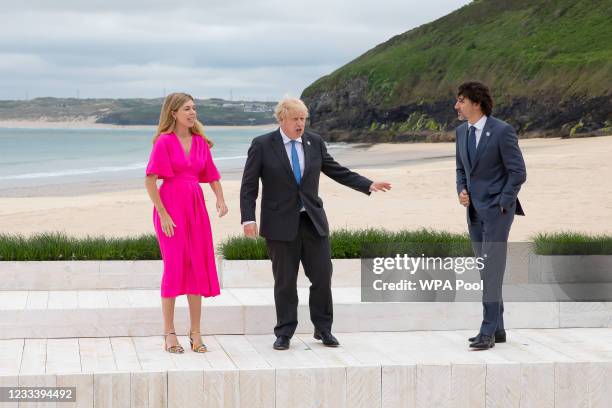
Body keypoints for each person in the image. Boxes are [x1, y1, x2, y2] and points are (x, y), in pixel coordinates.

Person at [240, 97, 391, 350]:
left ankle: (323, 330)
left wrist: (367, 184)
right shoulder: (263, 144)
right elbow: (248, 186)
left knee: (322, 276)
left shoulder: (314, 142)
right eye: (295, 119)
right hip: (279, 224)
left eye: (303, 119)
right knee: (285, 281)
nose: (300, 124)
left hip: (313, 221)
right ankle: (284, 332)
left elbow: (337, 170)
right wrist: (248, 218)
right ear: (282, 119)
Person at [145, 92, 228, 354]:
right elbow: (150, 180)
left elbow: (212, 175)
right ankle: (169, 332)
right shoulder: (164, 142)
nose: (192, 113)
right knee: (173, 267)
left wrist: (220, 199)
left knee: (197, 267)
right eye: (187, 109)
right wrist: (164, 213)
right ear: (174, 113)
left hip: (196, 208)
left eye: (194, 108)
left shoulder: (201, 142)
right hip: (170, 209)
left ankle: (195, 332)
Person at [454, 81, 526, 350]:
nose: (456, 106)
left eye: (461, 100)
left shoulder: (502, 131)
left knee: (492, 268)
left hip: (497, 212)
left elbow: (518, 172)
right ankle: (498, 328)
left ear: (476, 103)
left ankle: (487, 331)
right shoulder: (461, 132)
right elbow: (461, 169)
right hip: (473, 212)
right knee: (486, 270)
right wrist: (461, 190)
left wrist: (504, 203)